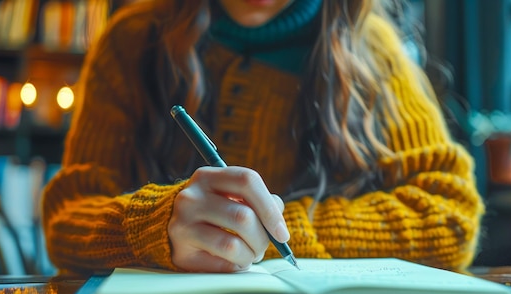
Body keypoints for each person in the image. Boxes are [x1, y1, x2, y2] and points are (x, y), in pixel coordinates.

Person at [42, 0, 484, 274]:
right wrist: (154, 226)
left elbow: (451, 214)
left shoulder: (368, 45)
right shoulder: (132, 40)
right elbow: (68, 217)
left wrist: (277, 234)